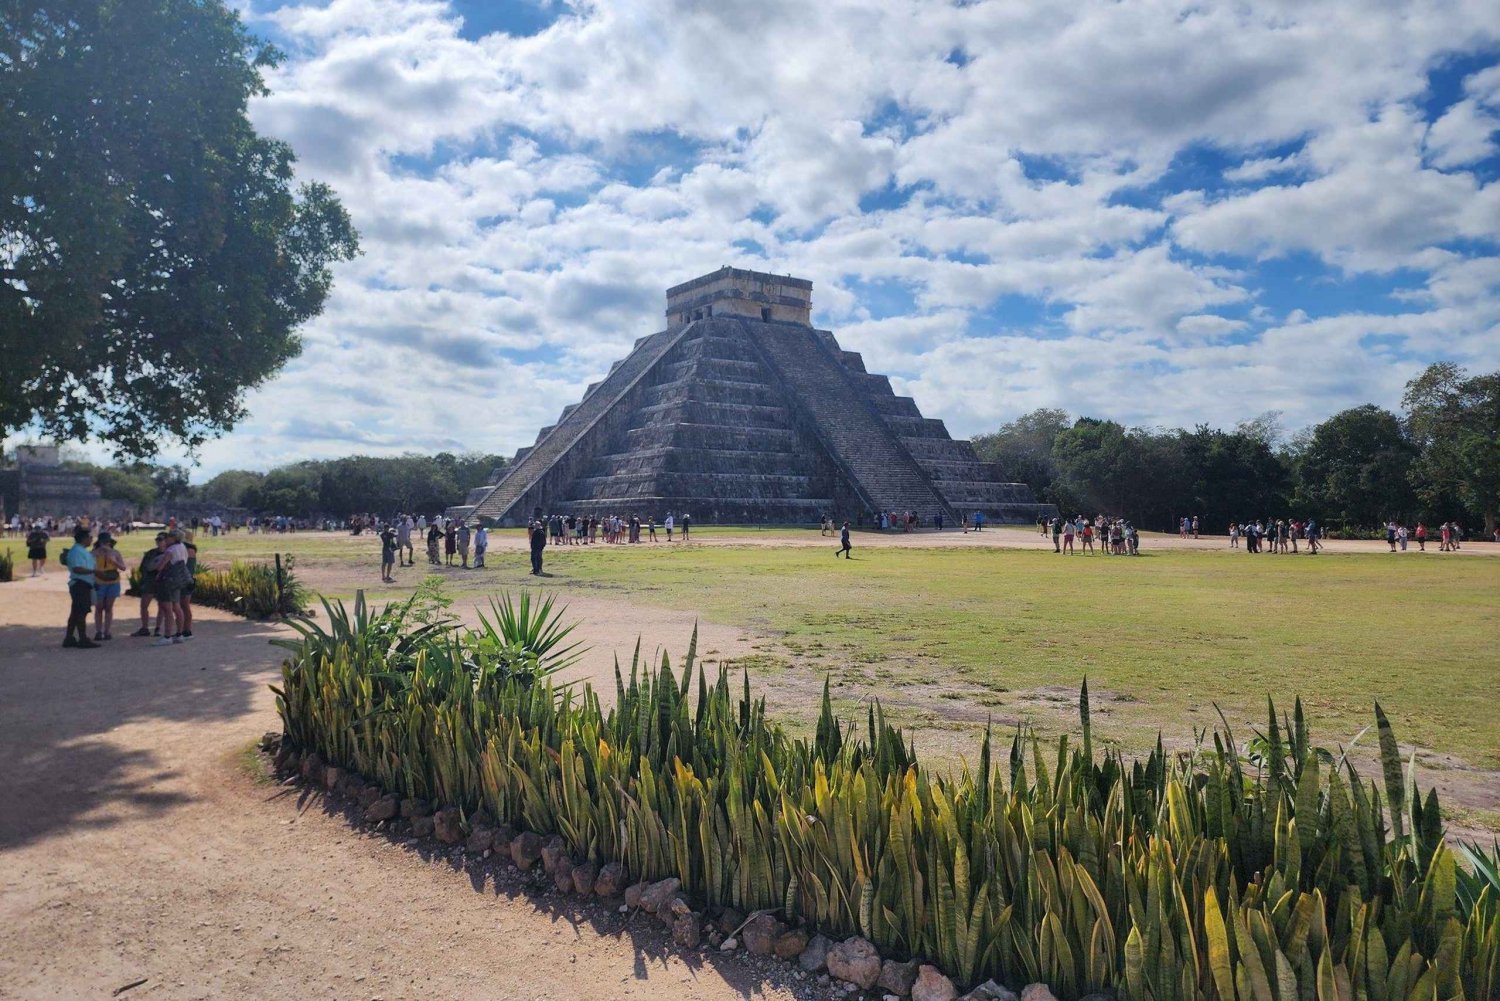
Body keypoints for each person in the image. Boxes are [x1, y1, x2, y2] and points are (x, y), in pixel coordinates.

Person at [61, 526, 99, 648]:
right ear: (84, 538)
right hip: (80, 584)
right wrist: (94, 572)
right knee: (81, 612)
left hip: (84, 583)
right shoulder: (77, 551)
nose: (91, 540)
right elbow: (77, 568)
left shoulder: (81, 550)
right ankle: (83, 638)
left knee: (75, 612)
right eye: (90, 537)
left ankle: (69, 637)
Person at [153, 531, 191, 645]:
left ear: (173, 538)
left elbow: (160, 566)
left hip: (168, 580)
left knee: (167, 608)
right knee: (177, 607)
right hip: (178, 579)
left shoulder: (171, 550)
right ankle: (179, 634)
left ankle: (167, 635)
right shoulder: (182, 547)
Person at [91, 532, 127, 641]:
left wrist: (113, 561)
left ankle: (107, 631)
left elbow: (123, 567)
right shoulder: (94, 553)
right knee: (99, 607)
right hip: (99, 581)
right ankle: (98, 631)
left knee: (108, 607)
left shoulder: (115, 553)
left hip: (113, 581)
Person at [133, 533, 167, 637]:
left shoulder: (169, 553)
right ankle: (144, 628)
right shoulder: (150, 553)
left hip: (163, 582)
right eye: (158, 540)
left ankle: (158, 628)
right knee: (144, 606)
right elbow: (143, 568)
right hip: (150, 581)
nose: (159, 542)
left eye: (161, 540)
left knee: (162, 606)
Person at [178, 540, 198, 639]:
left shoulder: (188, 550)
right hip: (188, 580)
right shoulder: (190, 550)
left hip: (186, 581)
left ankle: (186, 630)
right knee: (183, 606)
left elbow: (187, 568)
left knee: (184, 606)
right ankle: (184, 630)